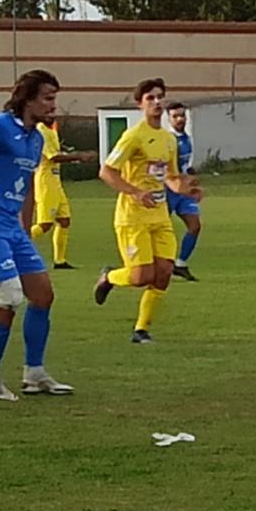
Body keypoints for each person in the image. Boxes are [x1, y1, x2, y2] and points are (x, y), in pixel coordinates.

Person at [0, 70, 73, 401]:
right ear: (28, 98)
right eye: (48, 98)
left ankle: (34, 375)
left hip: (12, 227)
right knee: (9, 297)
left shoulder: (36, 138)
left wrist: (25, 224)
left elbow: (29, 185)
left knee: (43, 295)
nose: (53, 105)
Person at [94, 79, 203, 343]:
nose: (156, 102)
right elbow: (106, 172)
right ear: (140, 104)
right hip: (133, 218)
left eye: (159, 98)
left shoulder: (168, 139)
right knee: (141, 276)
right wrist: (135, 192)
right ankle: (109, 276)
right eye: (150, 98)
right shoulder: (134, 136)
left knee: (164, 274)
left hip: (159, 215)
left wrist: (185, 189)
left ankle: (141, 330)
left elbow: (171, 177)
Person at [31, 120, 97, 270]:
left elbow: (58, 152)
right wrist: (78, 156)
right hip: (46, 182)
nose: (52, 115)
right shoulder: (41, 130)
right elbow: (52, 157)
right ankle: (13, 243)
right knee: (45, 225)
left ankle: (59, 261)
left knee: (64, 220)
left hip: (56, 182)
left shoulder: (52, 130)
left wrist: (72, 155)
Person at [166, 102, 203, 281]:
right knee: (161, 229)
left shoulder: (186, 138)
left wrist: (192, 179)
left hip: (183, 191)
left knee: (195, 226)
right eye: (175, 116)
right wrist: (185, 180)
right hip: (169, 190)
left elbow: (185, 167)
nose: (180, 119)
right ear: (169, 118)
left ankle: (180, 264)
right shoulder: (168, 140)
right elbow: (167, 170)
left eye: (182, 115)